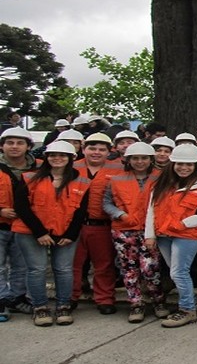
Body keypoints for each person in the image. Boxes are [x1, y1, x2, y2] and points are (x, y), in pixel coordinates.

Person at [12, 141, 90, 326]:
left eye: (63, 155)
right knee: (37, 270)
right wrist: (40, 232)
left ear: (72, 158)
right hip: (31, 233)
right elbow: (21, 207)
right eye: (53, 155)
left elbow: (81, 211)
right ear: (46, 157)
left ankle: (63, 306)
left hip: (65, 233)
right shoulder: (30, 177)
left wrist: (71, 234)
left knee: (63, 270)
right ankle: (40, 308)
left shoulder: (82, 181)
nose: (57, 158)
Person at [144, 144, 197, 328]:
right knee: (176, 272)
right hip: (163, 234)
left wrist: (184, 223)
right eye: (180, 164)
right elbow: (151, 211)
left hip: (188, 235)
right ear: (172, 164)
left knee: (179, 272)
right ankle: (189, 303)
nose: (184, 168)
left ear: (196, 166)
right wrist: (149, 235)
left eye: (189, 165)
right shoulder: (161, 185)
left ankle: (187, 309)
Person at [103, 142, 168, 323]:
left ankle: (158, 301)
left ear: (151, 160)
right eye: (135, 158)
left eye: (144, 158)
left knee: (150, 268)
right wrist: (120, 215)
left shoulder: (161, 178)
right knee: (129, 269)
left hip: (150, 232)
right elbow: (106, 203)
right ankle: (136, 304)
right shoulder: (115, 179)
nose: (140, 162)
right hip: (123, 231)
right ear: (128, 160)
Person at [71, 133, 124, 315]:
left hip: (102, 224)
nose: (96, 152)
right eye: (92, 148)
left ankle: (104, 299)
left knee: (104, 264)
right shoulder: (71, 166)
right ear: (84, 149)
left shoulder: (119, 169)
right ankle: (70, 297)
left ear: (109, 151)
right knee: (73, 264)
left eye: (102, 149)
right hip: (73, 226)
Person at [0, 127, 37, 318]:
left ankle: (18, 298)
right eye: (10, 143)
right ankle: (1, 300)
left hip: (25, 226)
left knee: (21, 266)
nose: (14, 147)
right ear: (2, 146)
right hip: (1, 224)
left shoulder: (39, 167)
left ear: (28, 146)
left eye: (20, 143)